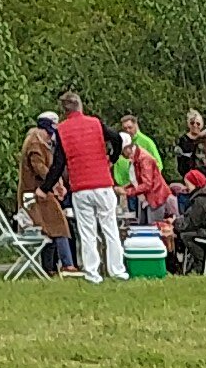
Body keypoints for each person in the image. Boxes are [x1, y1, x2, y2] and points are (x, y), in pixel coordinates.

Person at [55, 91, 126, 284]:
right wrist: (113, 157)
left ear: (64, 110)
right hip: (102, 183)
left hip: (80, 186)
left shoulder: (62, 130)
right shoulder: (95, 123)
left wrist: (45, 187)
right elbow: (117, 138)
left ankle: (92, 273)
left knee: (87, 232)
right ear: (80, 105)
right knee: (110, 228)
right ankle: (117, 270)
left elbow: (59, 163)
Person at [16, 113, 71, 274]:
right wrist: (54, 184)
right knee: (58, 226)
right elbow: (40, 168)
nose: (50, 135)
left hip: (40, 193)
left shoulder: (41, 143)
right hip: (34, 195)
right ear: (41, 129)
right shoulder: (35, 145)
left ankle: (50, 267)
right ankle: (67, 264)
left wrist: (58, 182)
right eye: (48, 132)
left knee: (50, 229)